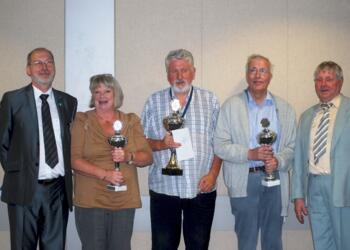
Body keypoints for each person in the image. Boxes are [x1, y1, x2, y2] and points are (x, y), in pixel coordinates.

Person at [141, 49, 222, 250]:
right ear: (167, 74)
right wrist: (161, 144)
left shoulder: (210, 100)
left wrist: (213, 175)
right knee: (162, 247)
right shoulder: (154, 101)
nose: (179, 76)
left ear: (193, 72)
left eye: (184, 70)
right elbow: (141, 142)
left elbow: (221, 143)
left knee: (198, 247)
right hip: (164, 189)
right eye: (174, 71)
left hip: (201, 187)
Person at [214, 54, 296, 250]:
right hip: (244, 180)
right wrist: (249, 154)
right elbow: (220, 145)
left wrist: (278, 161)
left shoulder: (284, 108)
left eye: (263, 70)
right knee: (247, 242)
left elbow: (291, 148)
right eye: (253, 70)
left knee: (273, 241)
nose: (257, 75)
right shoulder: (231, 106)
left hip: (275, 180)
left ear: (270, 76)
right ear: (246, 74)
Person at [0, 47, 77, 249]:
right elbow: (3, 143)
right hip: (24, 190)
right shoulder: (12, 99)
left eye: (49, 62)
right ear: (28, 70)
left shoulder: (68, 102)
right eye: (38, 63)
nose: (44, 67)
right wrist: (20, 174)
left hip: (58, 191)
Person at [71, 73, 153, 250]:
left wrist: (128, 156)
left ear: (116, 94)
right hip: (91, 199)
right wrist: (105, 174)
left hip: (123, 200)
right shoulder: (81, 120)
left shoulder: (131, 121)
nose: (102, 96)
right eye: (96, 91)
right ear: (92, 95)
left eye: (107, 91)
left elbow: (147, 157)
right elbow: (74, 160)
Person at [292, 61, 350, 250]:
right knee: (322, 242)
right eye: (319, 80)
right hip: (314, 186)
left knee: (345, 242)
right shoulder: (307, 116)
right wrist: (299, 195)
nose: (323, 84)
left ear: (340, 83)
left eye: (329, 79)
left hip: (343, 186)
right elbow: (299, 160)